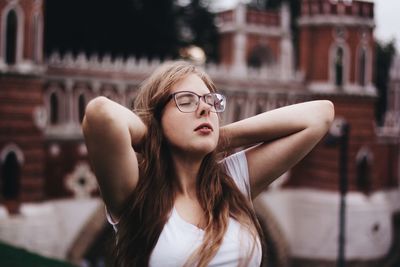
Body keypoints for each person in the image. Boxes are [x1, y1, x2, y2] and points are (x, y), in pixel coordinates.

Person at [82, 61, 334, 267]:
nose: (204, 109)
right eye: (187, 100)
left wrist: (220, 137)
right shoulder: (137, 192)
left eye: (210, 101)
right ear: (157, 116)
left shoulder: (232, 180)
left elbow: (321, 115)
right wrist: (156, 137)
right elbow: (101, 114)